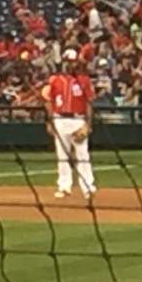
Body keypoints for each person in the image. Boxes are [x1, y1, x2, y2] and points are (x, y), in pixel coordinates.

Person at [41, 49, 97, 200]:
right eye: (67, 61)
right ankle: (64, 186)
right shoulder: (54, 80)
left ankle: (88, 186)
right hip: (59, 119)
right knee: (62, 155)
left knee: (83, 154)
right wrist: (50, 121)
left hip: (78, 119)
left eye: (71, 62)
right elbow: (49, 102)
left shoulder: (84, 80)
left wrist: (88, 124)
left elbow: (89, 103)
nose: (69, 64)